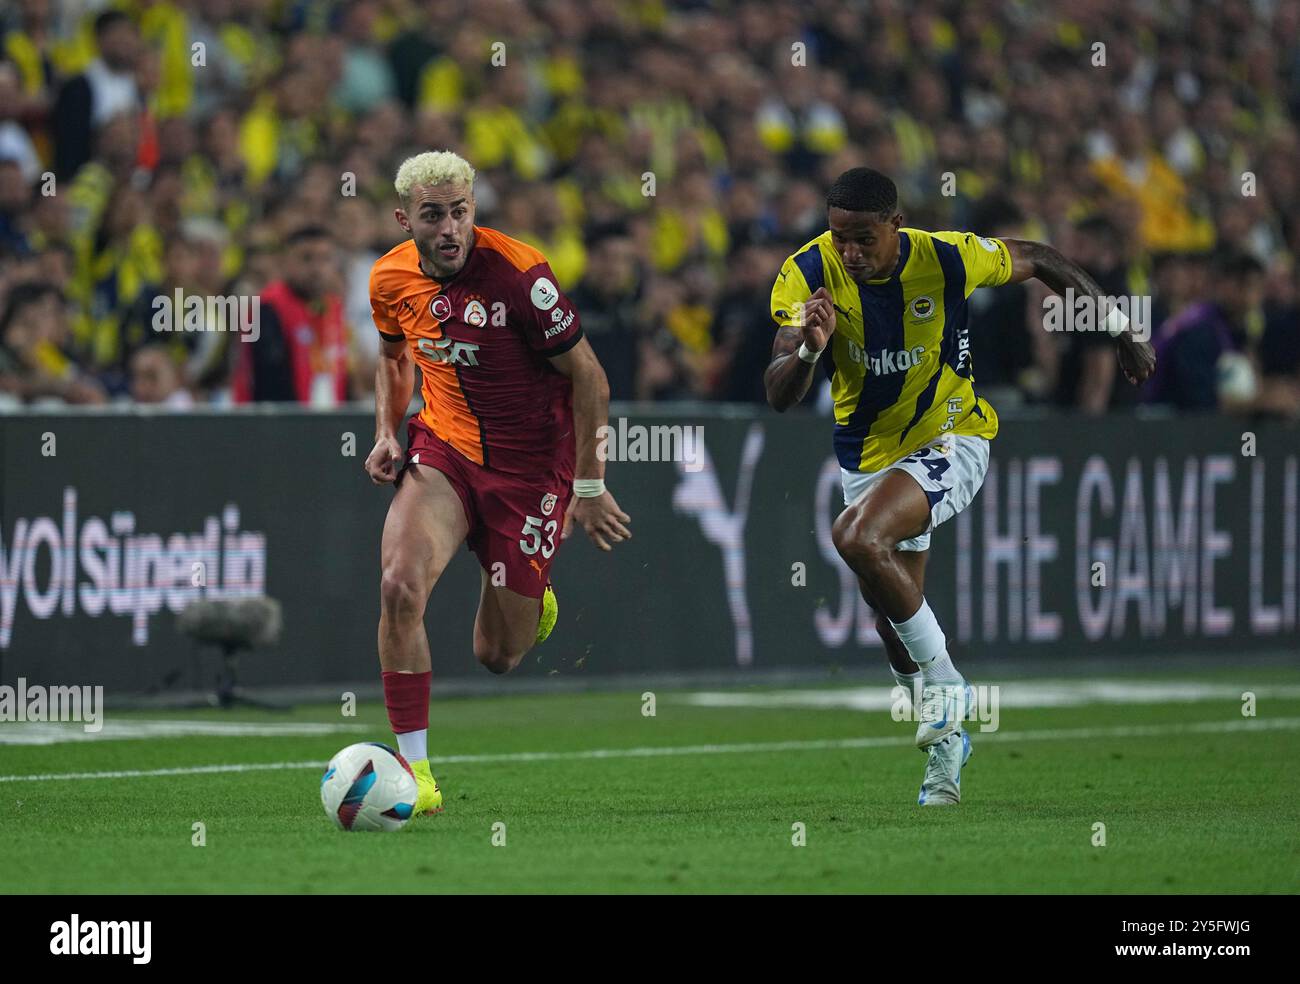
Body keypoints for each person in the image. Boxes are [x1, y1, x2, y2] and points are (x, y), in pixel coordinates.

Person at [764, 167, 1155, 805]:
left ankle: (949, 688)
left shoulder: (948, 258)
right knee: (890, 616)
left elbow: (1044, 258)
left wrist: (1118, 330)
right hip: (866, 455)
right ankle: (947, 754)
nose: (850, 252)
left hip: (953, 436)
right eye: (840, 238)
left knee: (858, 538)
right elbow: (778, 396)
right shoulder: (807, 275)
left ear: (896, 224)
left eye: (864, 237)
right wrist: (808, 350)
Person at [364, 151, 631, 817]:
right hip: (444, 449)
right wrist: (387, 431)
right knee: (398, 586)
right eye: (433, 216)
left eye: (460, 212)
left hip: (532, 471)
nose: (450, 227)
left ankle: (516, 582)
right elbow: (394, 357)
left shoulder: (519, 274)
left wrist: (589, 487)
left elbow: (590, 377)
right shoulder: (389, 279)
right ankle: (414, 773)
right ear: (406, 219)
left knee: (496, 656)